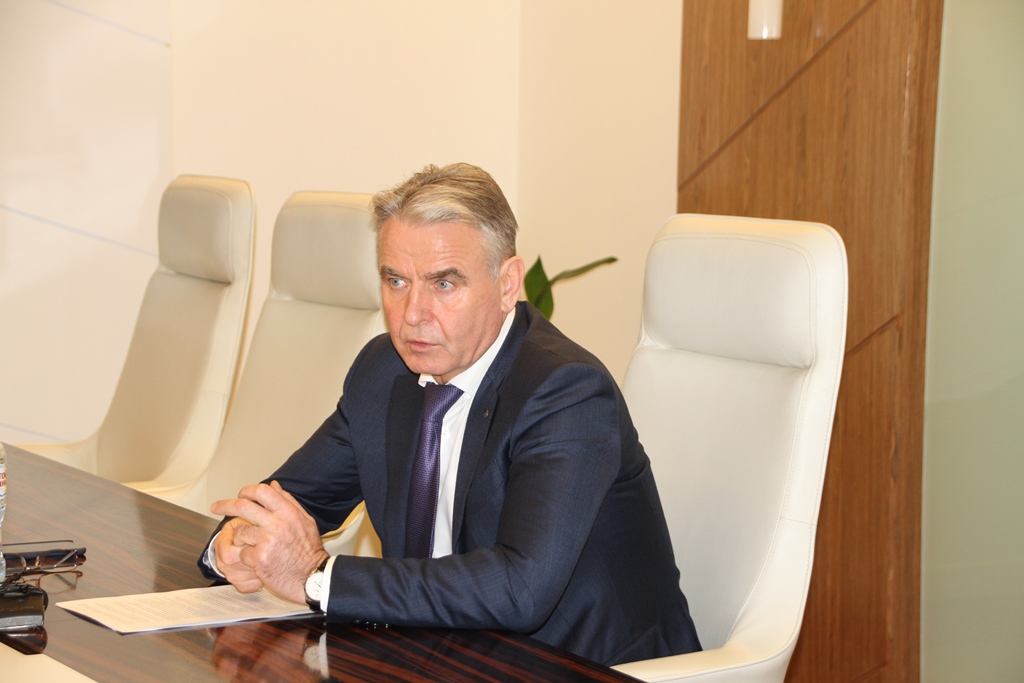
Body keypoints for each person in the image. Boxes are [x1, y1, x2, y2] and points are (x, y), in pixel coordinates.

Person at [199, 162, 701, 666]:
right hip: (437, 655)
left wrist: (315, 576)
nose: (412, 313)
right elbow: (295, 498)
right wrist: (237, 543)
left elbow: (519, 589)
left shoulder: (564, 392)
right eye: (396, 281)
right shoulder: (383, 372)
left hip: (577, 666)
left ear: (507, 284)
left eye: (443, 284)